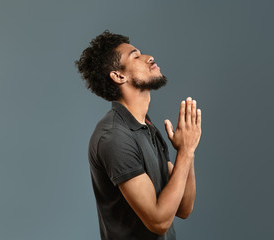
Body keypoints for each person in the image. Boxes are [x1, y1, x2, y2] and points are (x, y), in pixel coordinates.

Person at [75, 30, 201, 240]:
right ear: (118, 75)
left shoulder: (147, 127)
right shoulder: (114, 136)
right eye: (135, 56)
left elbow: (184, 208)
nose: (149, 57)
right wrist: (186, 152)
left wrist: (186, 151)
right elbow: (158, 221)